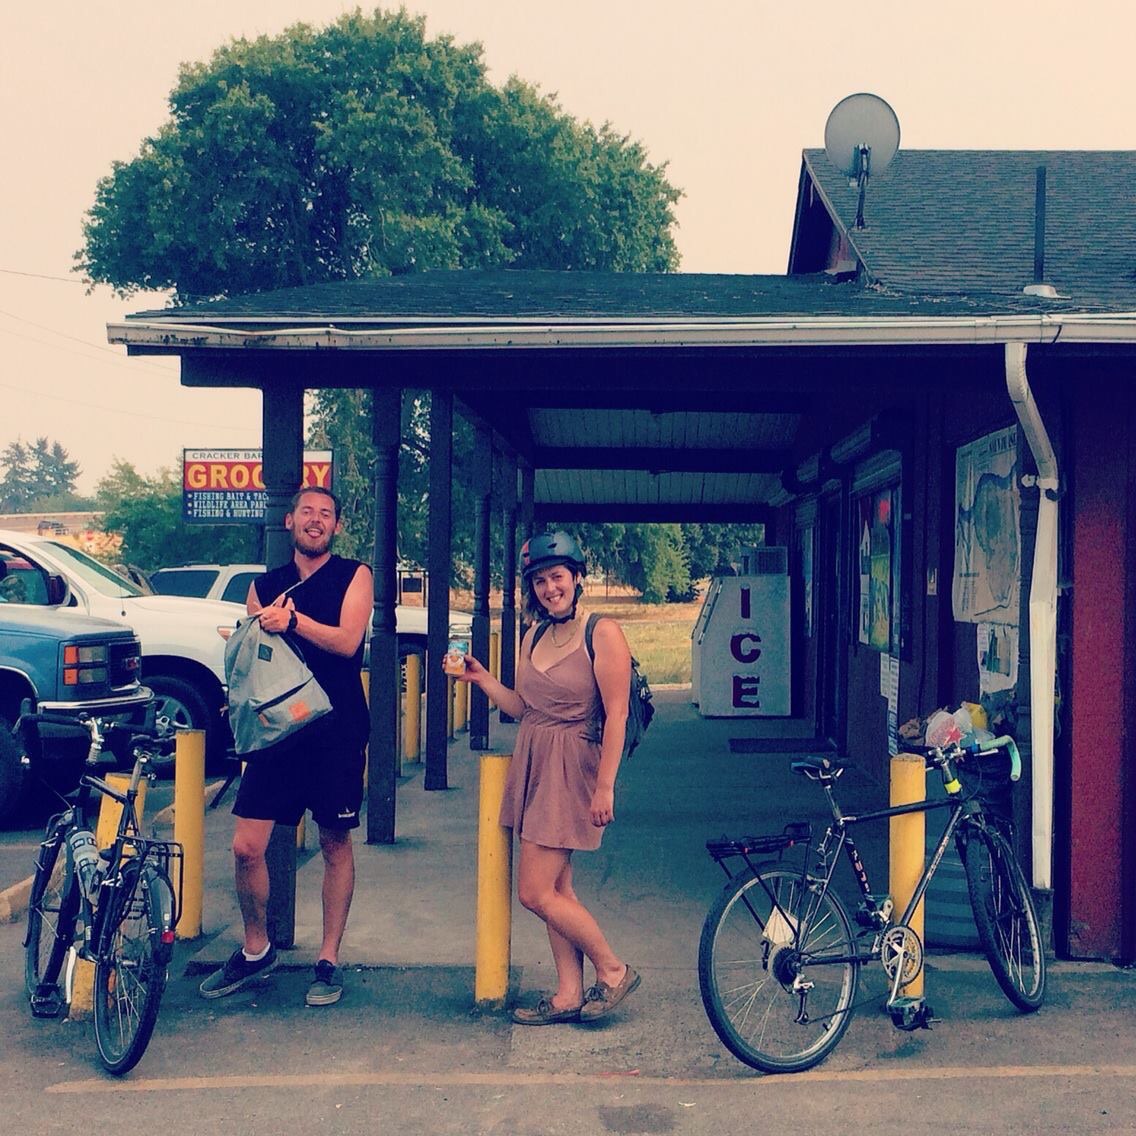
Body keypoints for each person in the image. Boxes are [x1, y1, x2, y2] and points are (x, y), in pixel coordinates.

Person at [455, 531, 641, 1025]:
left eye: (557, 577)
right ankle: (568, 994)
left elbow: (617, 715)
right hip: (534, 762)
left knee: (534, 892)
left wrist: (605, 786)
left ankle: (613, 969)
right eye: (539, 581)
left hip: (573, 768)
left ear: (577, 578)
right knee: (558, 890)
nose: (549, 588)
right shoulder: (533, 635)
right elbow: (525, 708)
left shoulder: (602, 633)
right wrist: (482, 679)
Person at [199, 486, 372, 1007]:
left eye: (326, 514)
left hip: (336, 730)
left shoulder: (355, 575)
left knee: (334, 842)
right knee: (246, 846)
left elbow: (348, 642)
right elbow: (255, 657)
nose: (316, 520)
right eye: (307, 512)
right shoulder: (263, 586)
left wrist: (293, 621)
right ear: (290, 521)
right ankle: (256, 949)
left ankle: (328, 960)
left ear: (336, 526)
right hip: (275, 734)